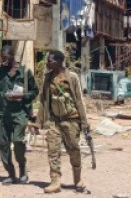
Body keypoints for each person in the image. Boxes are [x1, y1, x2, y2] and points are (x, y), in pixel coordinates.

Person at [37, 50, 90, 194]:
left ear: (59, 61)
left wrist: (84, 122)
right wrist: (38, 122)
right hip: (55, 121)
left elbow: (79, 100)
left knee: (74, 150)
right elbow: (43, 100)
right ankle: (55, 182)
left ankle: (77, 179)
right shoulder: (48, 78)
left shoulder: (72, 77)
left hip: (71, 120)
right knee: (53, 151)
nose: (47, 63)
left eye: (50, 61)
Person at [0, 44, 38, 185]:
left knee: (18, 141)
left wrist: (22, 96)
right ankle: (11, 174)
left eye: (6, 58)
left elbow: (35, 91)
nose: (4, 61)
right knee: (3, 145)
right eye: (2, 58)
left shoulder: (24, 72)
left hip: (20, 113)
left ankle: (22, 168)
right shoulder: (0, 73)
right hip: (3, 114)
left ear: (13, 56)